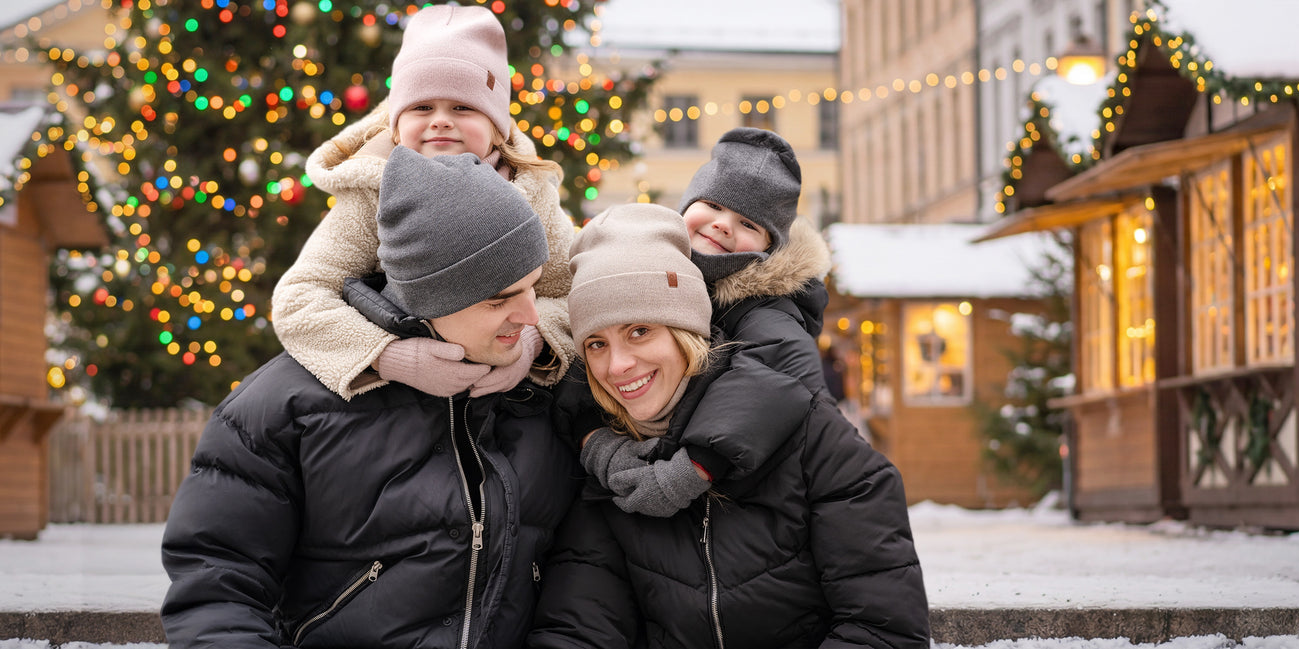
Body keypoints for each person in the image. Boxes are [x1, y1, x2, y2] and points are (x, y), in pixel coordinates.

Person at [161, 148, 590, 649]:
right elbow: (218, 585)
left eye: (532, 288)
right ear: (430, 298)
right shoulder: (286, 407)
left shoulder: (549, 390)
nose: (532, 317)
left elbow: (582, 580)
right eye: (499, 300)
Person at [528, 204, 929, 649]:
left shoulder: (811, 437)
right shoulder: (610, 466)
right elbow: (581, 626)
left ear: (687, 332)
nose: (617, 365)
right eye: (596, 343)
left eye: (640, 331)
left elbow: (882, 630)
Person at [272, 3, 578, 401]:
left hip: (501, 409)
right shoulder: (371, 193)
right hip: (396, 407)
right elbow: (300, 298)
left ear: (497, 128)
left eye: (463, 107)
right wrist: (389, 356)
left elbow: (571, 290)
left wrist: (533, 344)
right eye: (422, 107)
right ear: (397, 127)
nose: (441, 120)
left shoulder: (529, 192)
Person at [571, 127, 838, 518]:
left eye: (748, 224)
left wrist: (698, 463)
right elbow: (586, 362)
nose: (723, 225)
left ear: (768, 247)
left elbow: (770, 378)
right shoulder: (644, 270)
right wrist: (594, 438)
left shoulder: (767, 307)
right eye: (713, 205)